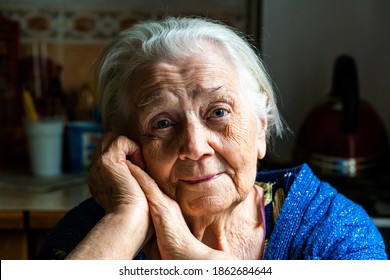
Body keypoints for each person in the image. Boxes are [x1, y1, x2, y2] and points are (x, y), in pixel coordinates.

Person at [38, 17, 387, 260]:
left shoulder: (332, 229)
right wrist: (126, 219)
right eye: (162, 123)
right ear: (128, 152)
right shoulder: (91, 234)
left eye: (218, 112)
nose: (194, 146)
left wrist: (195, 259)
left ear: (260, 128)